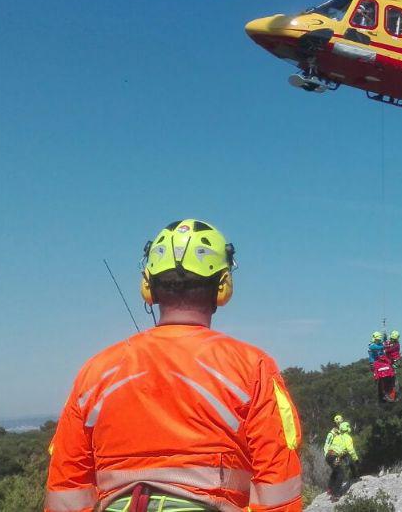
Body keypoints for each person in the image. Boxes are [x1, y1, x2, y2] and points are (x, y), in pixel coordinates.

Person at [45, 219, 303, 512]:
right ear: (223, 286)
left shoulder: (94, 372)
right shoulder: (252, 367)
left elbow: (66, 487)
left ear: (148, 286)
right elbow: (277, 481)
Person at [323, 421, 359, 501]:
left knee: (336, 471)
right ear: (348, 429)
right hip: (335, 456)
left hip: (329, 456)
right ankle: (335, 494)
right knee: (340, 473)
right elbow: (351, 450)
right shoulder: (348, 438)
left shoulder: (338, 436)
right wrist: (356, 459)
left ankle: (330, 489)